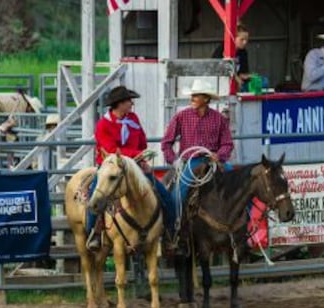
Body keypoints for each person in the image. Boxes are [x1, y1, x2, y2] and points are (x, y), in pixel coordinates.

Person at [86, 85, 172, 251]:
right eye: (128, 101)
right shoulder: (103, 125)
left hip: (136, 167)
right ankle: (94, 233)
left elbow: (142, 141)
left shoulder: (133, 118)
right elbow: (111, 151)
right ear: (119, 104)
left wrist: (141, 156)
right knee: (95, 196)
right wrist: (136, 154)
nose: (132, 103)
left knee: (163, 194)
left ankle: (169, 232)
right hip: (111, 167)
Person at [161, 78, 234, 241]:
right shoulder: (181, 117)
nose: (192, 99)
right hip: (191, 161)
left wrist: (219, 155)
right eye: (192, 96)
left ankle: (243, 228)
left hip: (213, 161)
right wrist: (174, 160)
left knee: (238, 183)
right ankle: (175, 230)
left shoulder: (218, 119)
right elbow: (166, 143)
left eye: (196, 96)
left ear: (206, 99)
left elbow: (227, 143)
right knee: (178, 194)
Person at [212, 22, 251, 90]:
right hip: (218, 85)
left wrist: (248, 77)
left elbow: (243, 72)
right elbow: (218, 68)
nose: (245, 42)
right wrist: (236, 78)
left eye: (246, 40)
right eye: (242, 39)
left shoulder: (243, 52)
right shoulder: (222, 49)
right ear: (234, 38)